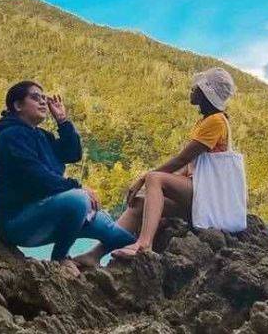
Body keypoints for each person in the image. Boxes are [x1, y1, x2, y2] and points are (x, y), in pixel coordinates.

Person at [74, 67, 238, 265]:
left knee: (154, 178)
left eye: (196, 87)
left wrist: (144, 178)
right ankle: (95, 254)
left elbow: (181, 159)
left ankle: (144, 244)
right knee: (140, 204)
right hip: (200, 195)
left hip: (209, 197)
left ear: (205, 92)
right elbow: (190, 167)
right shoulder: (206, 121)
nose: (192, 90)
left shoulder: (215, 121)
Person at [0, 80, 135, 270]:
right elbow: (36, 176)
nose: (43, 102)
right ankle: (60, 259)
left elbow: (73, 154)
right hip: (16, 221)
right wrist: (77, 187)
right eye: (35, 97)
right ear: (18, 105)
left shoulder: (42, 136)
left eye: (44, 98)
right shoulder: (10, 136)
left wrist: (63, 121)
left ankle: (93, 257)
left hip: (48, 212)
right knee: (78, 200)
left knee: (119, 236)